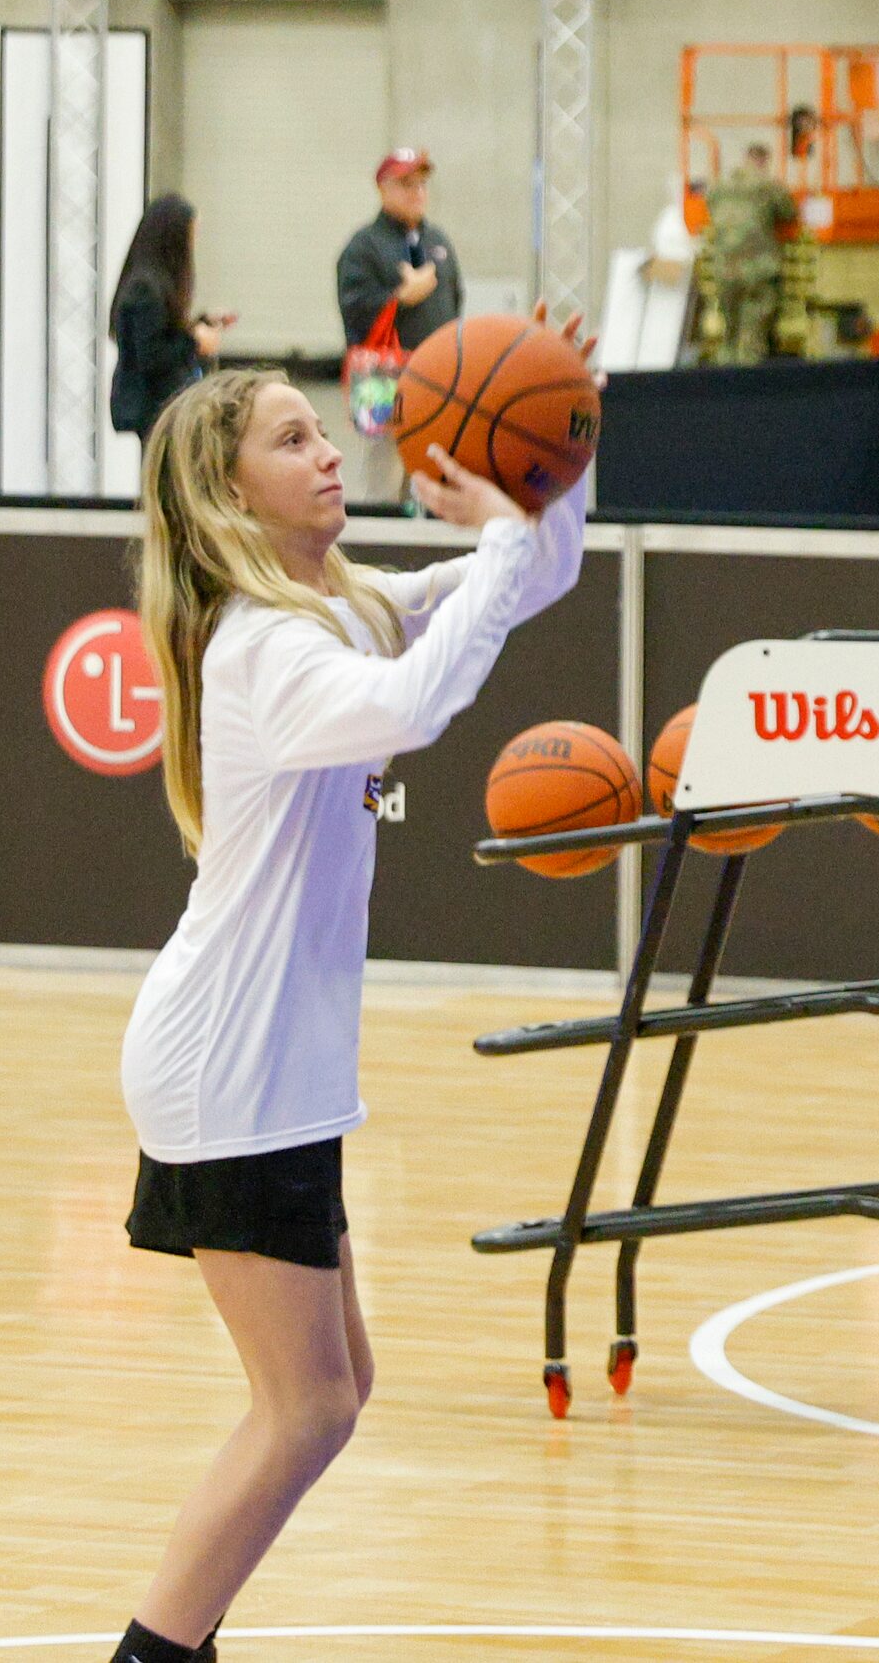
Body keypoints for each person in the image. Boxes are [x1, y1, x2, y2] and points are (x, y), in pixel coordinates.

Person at [111, 357, 584, 1663]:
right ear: (229, 495)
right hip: (231, 1066)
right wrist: (497, 531)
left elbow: (534, 577)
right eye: (292, 438)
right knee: (306, 1407)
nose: (329, 451)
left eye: (325, 431)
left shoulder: (339, 605)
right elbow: (415, 700)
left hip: (264, 1067)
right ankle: (156, 1651)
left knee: (331, 1392)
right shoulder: (265, 645)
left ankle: (174, 1644)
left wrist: (561, 445)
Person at [109, 195, 232, 445]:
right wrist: (195, 341)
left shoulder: (153, 285)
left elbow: (163, 332)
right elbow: (151, 354)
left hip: (163, 405)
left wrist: (202, 322)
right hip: (154, 407)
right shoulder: (145, 289)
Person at [335, 147, 462, 353]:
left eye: (422, 184)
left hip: (437, 367)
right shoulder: (364, 246)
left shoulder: (438, 241)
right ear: (383, 189)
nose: (417, 192)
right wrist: (401, 298)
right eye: (406, 184)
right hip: (384, 375)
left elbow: (455, 303)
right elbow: (354, 315)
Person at [703, 142, 796, 365]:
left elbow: (710, 209)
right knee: (753, 333)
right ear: (764, 160)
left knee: (729, 332)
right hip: (757, 269)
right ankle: (747, 383)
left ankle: (725, 372)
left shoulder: (719, 186)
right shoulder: (768, 185)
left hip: (724, 268)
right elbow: (789, 212)